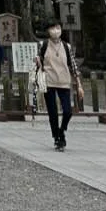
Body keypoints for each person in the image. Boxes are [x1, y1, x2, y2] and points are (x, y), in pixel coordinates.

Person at [35, 19, 81, 150]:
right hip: (49, 81)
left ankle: (62, 130)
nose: (56, 31)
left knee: (67, 111)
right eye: (53, 28)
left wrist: (79, 83)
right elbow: (39, 61)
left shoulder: (67, 46)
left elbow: (73, 65)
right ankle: (57, 137)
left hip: (64, 81)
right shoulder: (43, 45)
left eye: (58, 27)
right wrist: (37, 62)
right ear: (48, 31)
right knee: (52, 112)